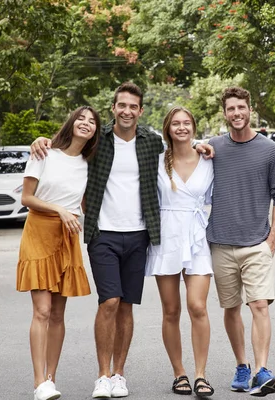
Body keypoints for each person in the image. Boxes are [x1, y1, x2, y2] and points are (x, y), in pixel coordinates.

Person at [30, 82, 214, 399]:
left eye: (133, 106)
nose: (127, 110)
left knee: (126, 306)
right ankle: (102, 375)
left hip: (141, 235)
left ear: (140, 111)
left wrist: (201, 144)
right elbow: (66, 150)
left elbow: (180, 144)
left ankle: (119, 374)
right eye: (121, 105)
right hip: (103, 234)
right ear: (113, 108)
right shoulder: (96, 143)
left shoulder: (151, 143)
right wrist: (42, 140)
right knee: (109, 301)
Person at [207, 87, 275, 397]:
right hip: (220, 242)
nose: (236, 113)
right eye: (231, 109)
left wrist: (272, 240)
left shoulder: (270, 150)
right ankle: (242, 365)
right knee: (230, 309)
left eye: (241, 107)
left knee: (259, 306)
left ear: (250, 109)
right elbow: (181, 154)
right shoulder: (213, 147)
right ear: (225, 113)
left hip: (257, 242)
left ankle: (260, 370)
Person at [17, 106, 100, 400]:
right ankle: (39, 381)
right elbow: (27, 198)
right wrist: (60, 210)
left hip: (68, 237)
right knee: (42, 310)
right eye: (81, 118)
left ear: (95, 132)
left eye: (92, 122)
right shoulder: (44, 153)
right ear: (71, 122)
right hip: (39, 232)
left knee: (58, 314)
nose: (86, 123)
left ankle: (51, 378)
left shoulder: (90, 165)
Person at [145, 107, 215, 397]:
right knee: (171, 310)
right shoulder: (157, 161)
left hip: (197, 237)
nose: (182, 127)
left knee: (197, 306)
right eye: (176, 123)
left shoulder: (209, 159)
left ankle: (200, 374)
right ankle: (179, 373)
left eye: (187, 123)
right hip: (167, 236)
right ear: (168, 128)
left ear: (194, 128)